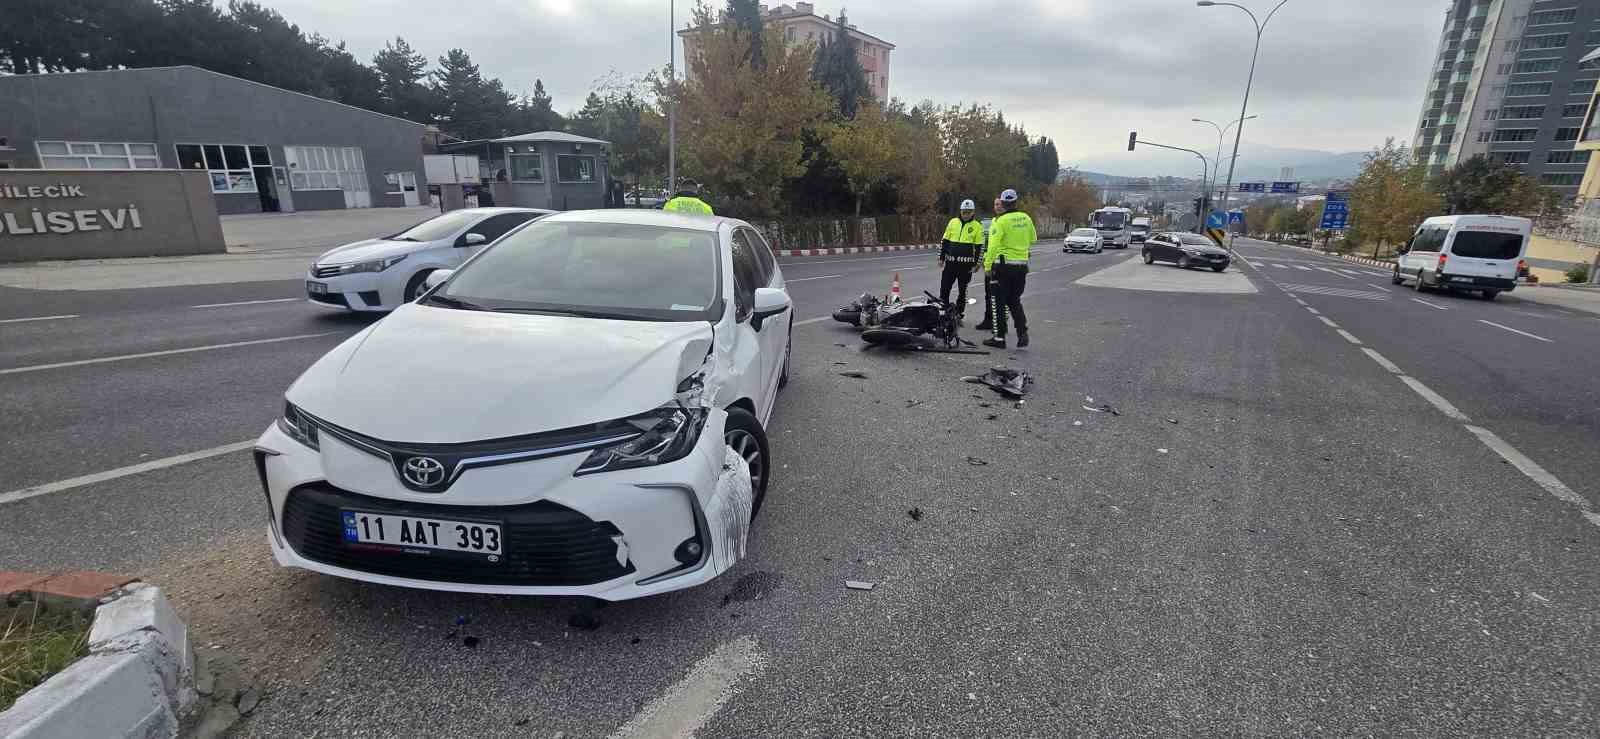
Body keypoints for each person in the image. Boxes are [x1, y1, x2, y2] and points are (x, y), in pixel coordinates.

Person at [982, 188, 1037, 349]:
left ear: (1004, 204)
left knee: (998, 302)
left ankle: (999, 338)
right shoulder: (1026, 218)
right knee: (1014, 301)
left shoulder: (1000, 222)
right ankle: (1022, 333)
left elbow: (992, 246)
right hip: (1021, 267)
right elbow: (1033, 238)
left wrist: (987, 266)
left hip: (1003, 267)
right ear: (1015, 202)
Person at [938, 199, 985, 317]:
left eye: (969, 212)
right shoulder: (953, 222)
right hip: (951, 263)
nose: (966, 214)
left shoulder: (977, 226)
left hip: (966, 266)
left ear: (973, 212)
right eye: (964, 212)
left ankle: (959, 312)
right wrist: (941, 257)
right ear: (960, 211)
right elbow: (945, 241)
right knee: (944, 288)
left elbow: (980, 247)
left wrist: (977, 264)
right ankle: (943, 310)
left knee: (962, 291)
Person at [974, 196, 1004, 332]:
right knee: (988, 294)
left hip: (1002, 264)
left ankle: (999, 325)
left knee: (1000, 295)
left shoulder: (1006, 221)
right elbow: (988, 245)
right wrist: (984, 262)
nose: (997, 206)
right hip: (990, 263)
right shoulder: (993, 221)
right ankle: (988, 321)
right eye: (995, 204)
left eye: (999, 204)